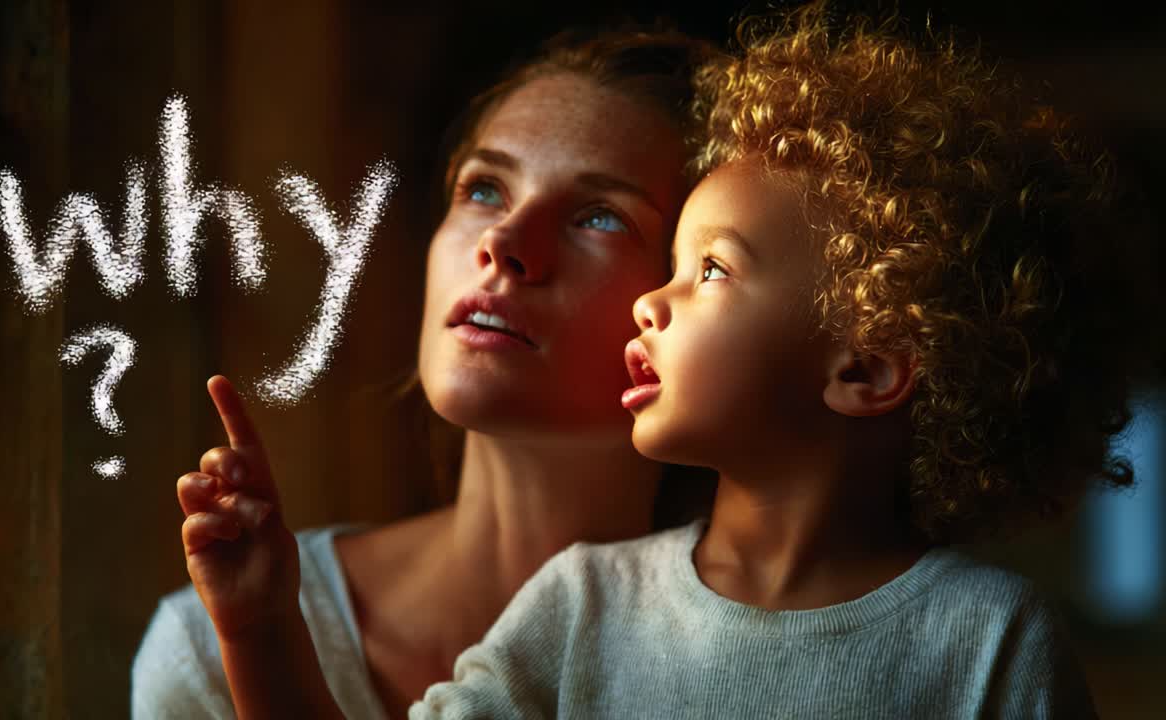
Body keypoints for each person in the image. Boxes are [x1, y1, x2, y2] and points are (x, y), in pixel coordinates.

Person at [398, 4, 1157, 717]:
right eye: (671, 267)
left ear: (865, 369)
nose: (648, 304)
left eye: (711, 271)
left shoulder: (993, 641)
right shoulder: (580, 603)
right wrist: (271, 618)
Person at [131, 27, 717, 719]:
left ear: (705, 295)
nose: (502, 244)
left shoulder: (776, 652)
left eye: (599, 217)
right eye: (485, 190)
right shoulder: (208, 654)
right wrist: (262, 642)